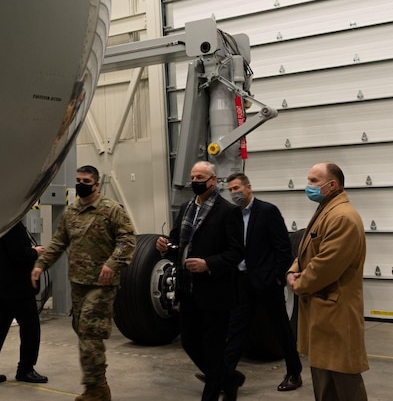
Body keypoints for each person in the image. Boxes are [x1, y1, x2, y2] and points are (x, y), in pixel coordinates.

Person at [31, 165, 135, 401]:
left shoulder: (110, 210)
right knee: (83, 332)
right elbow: (58, 242)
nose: (81, 184)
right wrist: (40, 265)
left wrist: (112, 263)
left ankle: (96, 389)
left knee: (89, 329)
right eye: (78, 179)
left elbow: (128, 239)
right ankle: (97, 387)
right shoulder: (71, 212)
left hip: (102, 283)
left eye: (86, 180)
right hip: (78, 282)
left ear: (96, 184)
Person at [156, 161, 244, 401]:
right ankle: (229, 378)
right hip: (188, 289)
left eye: (200, 177)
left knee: (213, 347)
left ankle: (213, 394)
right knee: (190, 341)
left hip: (215, 291)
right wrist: (165, 246)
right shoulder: (186, 209)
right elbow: (177, 243)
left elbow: (236, 252)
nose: (195, 181)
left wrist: (208, 264)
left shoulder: (228, 212)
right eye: (193, 177)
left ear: (213, 180)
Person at [287, 162, 368, 401]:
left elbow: (326, 265)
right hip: (324, 313)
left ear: (332, 185)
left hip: (336, 314)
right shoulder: (327, 209)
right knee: (325, 382)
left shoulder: (342, 217)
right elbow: (306, 249)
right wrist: (292, 271)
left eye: (313, 181)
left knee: (345, 382)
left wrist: (297, 285)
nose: (308, 186)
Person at [222, 172, 303, 392]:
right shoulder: (231, 215)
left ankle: (294, 373)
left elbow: (282, 249)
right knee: (236, 329)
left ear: (248, 188)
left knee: (281, 330)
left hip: (267, 283)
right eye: (230, 190)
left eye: (237, 188)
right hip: (242, 282)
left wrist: (276, 278)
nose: (233, 193)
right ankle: (225, 375)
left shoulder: (267, 212)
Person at [0, 220, 48, 385]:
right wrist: (35, 252)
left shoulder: (2, 224)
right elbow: (18, 254)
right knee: (31, 328)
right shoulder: (13, 226)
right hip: (17, 287)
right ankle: (26, 369)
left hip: (5, 286)